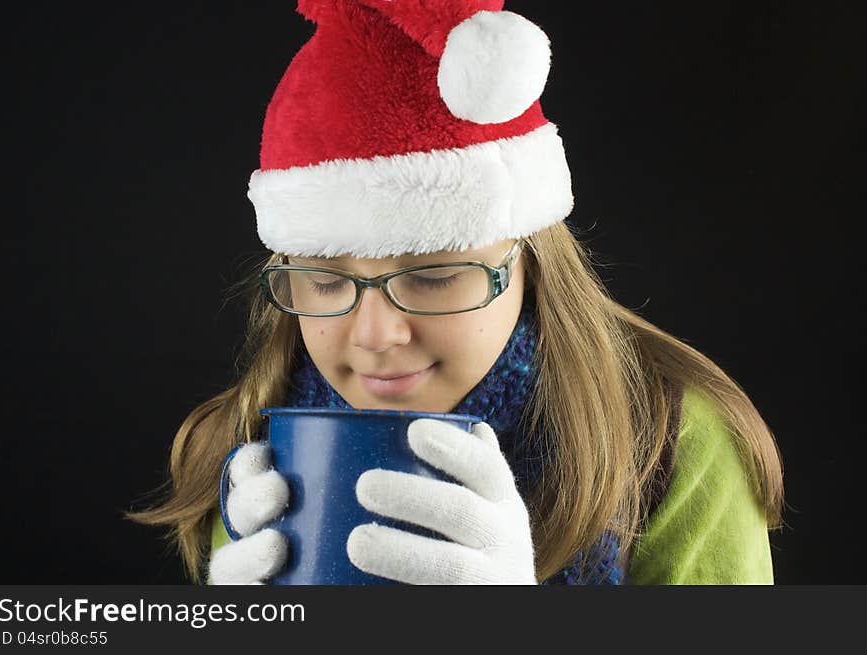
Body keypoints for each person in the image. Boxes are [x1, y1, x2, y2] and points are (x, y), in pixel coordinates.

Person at [129, 0, 784, 585]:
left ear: (528, 260)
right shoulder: (252, 449)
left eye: (435, 275)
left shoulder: (671, 440)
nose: (375, 334)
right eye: (326, 279)